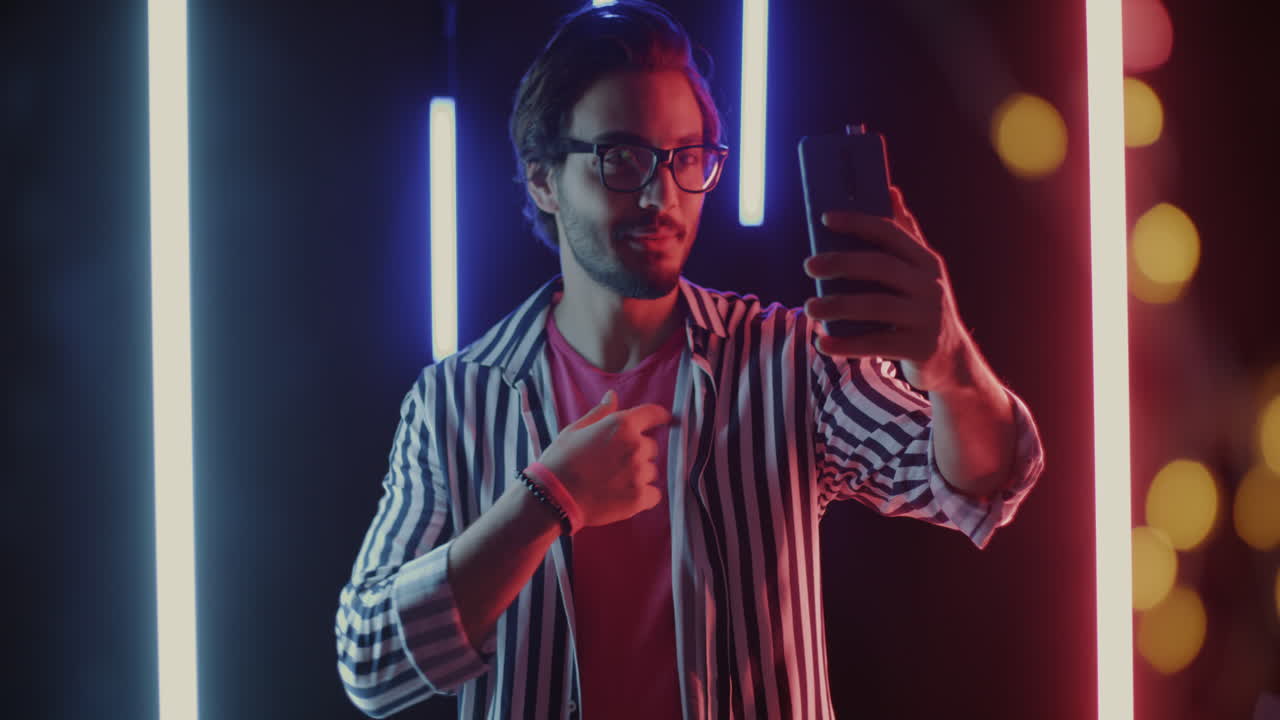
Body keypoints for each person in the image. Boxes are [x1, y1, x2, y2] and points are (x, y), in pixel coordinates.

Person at [335, 2, 1044, 718]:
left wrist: (951, 367)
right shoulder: (457, 401)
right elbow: (370, 664)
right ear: (543, 179)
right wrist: (546, 499)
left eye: (687, 158)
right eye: (621, 158)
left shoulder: (788, 360)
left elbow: (976, 484)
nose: (662, 195)